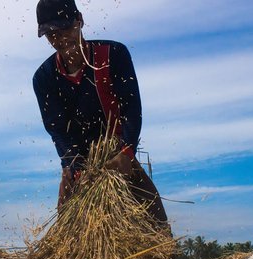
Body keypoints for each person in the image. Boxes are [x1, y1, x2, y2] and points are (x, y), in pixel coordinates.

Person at [32, 0, 168, 223]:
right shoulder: (44, 78)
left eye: (65, 28)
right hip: (79, 165)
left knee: (155, 227)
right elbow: (58, 131)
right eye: (51, 34)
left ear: (80, 21)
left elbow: (131, 108)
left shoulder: (113, 55)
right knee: (69, 238)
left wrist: (126, 151)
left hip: (118, 154)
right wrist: (73, 167)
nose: (60, 38)